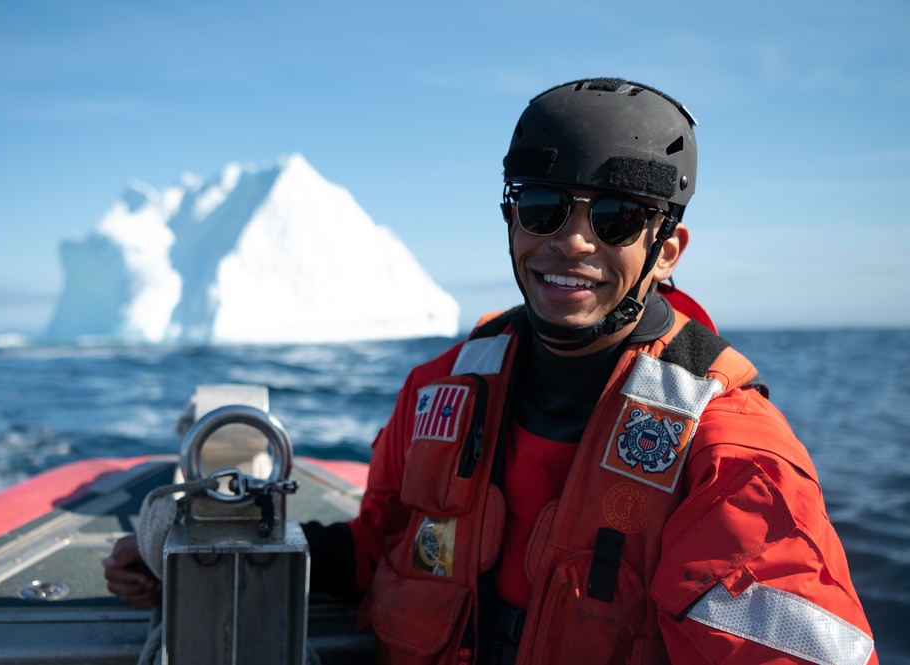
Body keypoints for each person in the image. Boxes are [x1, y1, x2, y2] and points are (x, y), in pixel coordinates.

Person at [105, 77, 877, 664]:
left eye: (613, 219)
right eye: (542, 207)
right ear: (508, 218)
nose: (571, 241)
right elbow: (378, 545)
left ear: (666, 249)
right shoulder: (440, 389)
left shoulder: (730, 452)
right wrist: (201, 557)